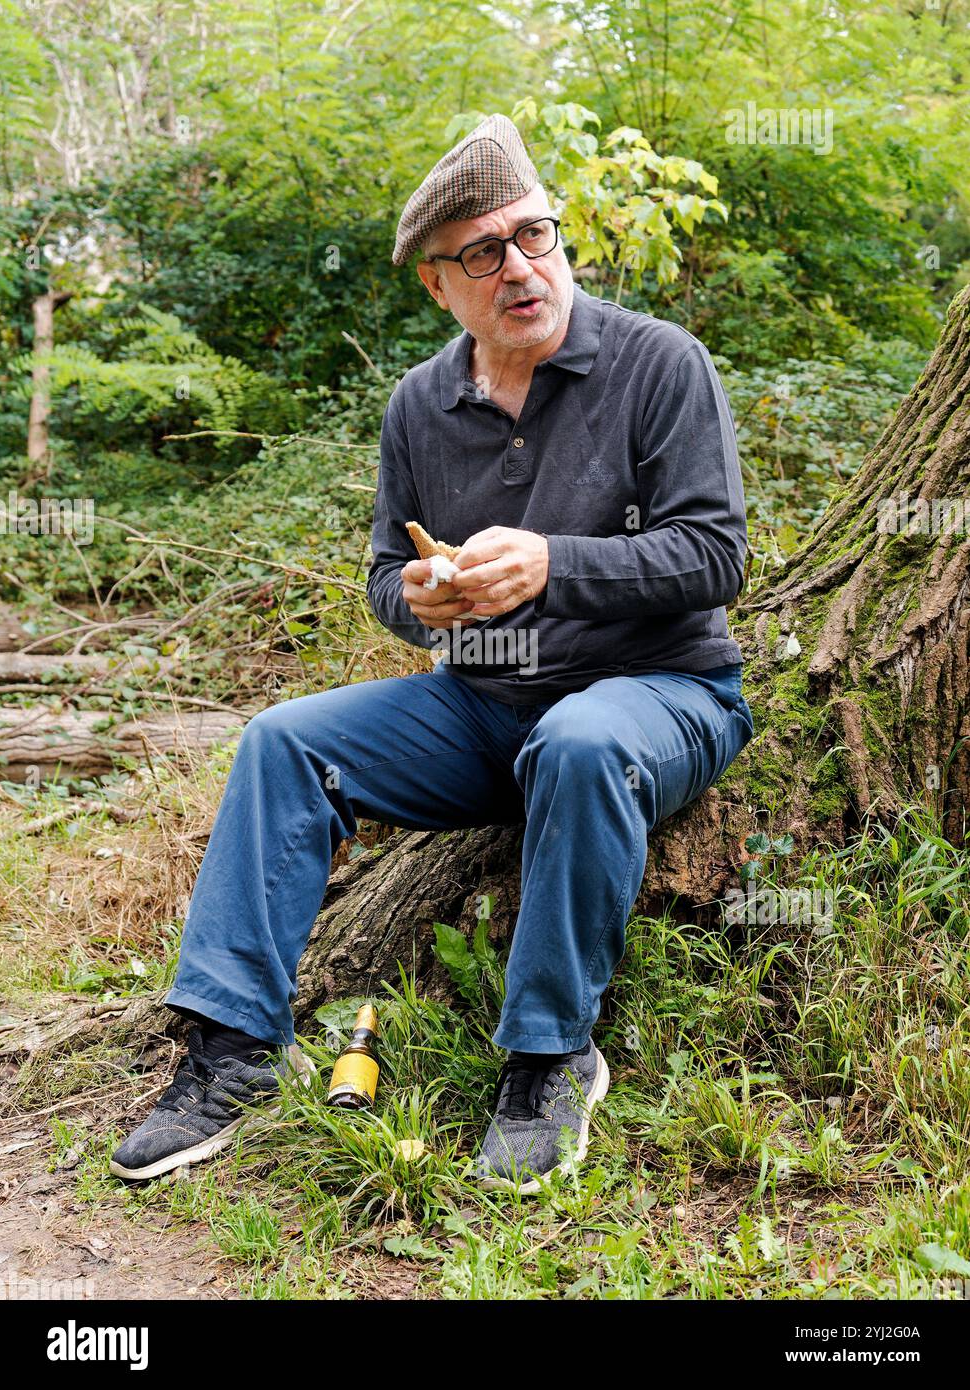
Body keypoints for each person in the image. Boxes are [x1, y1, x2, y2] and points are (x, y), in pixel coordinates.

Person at [110, 114, 755, 1190]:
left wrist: (555, 564)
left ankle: (548, 1058)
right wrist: (420, 601)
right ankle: (230, 1056)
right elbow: (382, 578)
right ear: (437, 287)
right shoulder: (418, 404)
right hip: (484, 708)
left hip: (656, 694)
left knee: (582, 743)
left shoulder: (659, 365)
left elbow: (713, 554)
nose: (520, 268)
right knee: (282, 741)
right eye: (482, 253)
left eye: (534, 234)